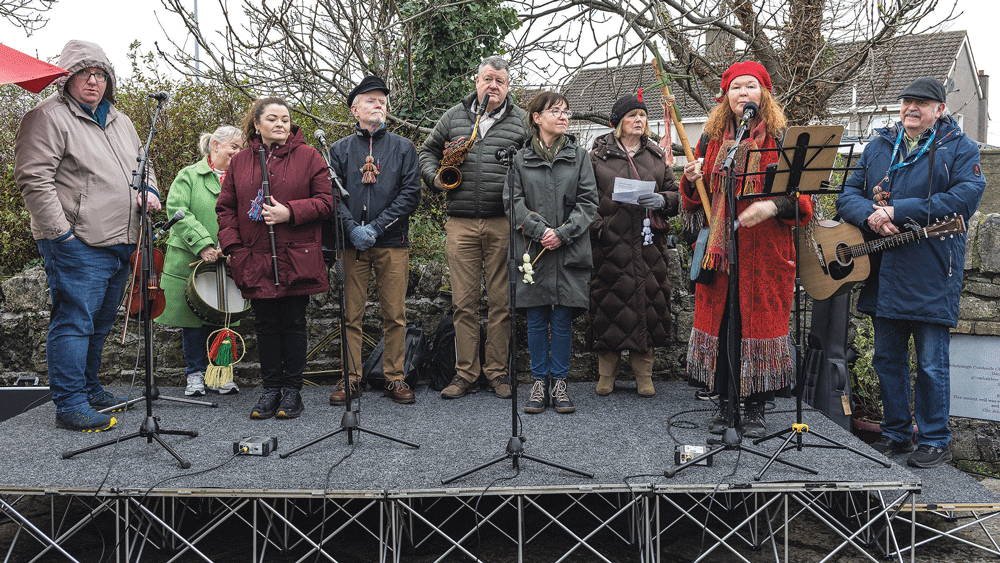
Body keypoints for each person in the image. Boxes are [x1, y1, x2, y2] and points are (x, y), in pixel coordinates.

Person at [836, 76, 985, 468]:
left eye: (921, 103)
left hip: (932, 271)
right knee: (887, 359)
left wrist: (899, 211)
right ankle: (897, 434)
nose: (911, 108)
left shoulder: (960, 148)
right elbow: (848, 195)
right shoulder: (879, 146)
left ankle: (936, 439)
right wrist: (872, 217)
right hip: (884, 270)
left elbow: (963, 200)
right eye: (906, 102)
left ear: (940, 110)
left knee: (932, 363)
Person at [15, 40, 162, 432]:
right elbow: (34, 179)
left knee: (98, 323)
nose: (93, 81)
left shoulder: (120, 119)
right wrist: (61, 235)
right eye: (84, 74)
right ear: (67, 78)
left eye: (99, 74)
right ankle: (70, 404)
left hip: (121, 240)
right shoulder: (47, 116)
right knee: (74, 321)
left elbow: (143, 167)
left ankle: (90, 388)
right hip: (76, 242)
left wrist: (150, 190)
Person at [680, 61, 812, 439]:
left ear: (763, 94)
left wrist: (771, 206)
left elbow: (804, 204)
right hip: (720, 253)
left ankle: (755, 408)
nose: (744, 94)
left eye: (751, 87)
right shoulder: (710, 139)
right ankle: (725, 403)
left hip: (766, 253)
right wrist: (690, 181)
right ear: (726, 97)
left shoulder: (783, 137)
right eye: (736, 88)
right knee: (724, 325)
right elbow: (693, 203)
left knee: (759, 325)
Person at [419, 56, 528, 400]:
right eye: (487, 79)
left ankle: (496, 372)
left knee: (501, 303)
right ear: (476, 82)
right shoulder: (453, 116)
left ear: (508, 87)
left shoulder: (522, 121)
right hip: (461, 222)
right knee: (463, 303)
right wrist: (436, 179)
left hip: (503, 222)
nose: (492, 85)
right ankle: (465, 373)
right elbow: (427, 152)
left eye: (500, 81)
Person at [217, 97, 333, 419]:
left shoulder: (309, 156)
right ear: (257, 125)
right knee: (266, 325)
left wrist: (289, 212)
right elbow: (225, 208)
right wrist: (234, 248)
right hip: (254, 258)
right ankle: (270, 391)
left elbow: (327, 202)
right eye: (271, 118)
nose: (280, 124)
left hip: (296, 257)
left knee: (294, 323)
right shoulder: (240, 162)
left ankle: (293, 392)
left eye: (285, 118)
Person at [327, 76, 421, 405]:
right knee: (350, 315)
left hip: (392, 242)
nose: (378, 104)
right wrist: (353, 229)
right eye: (370, 100)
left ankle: (395, 377)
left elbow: (410, 195)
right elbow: (330, 196)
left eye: (382, 100)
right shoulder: (338, 150)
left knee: (394, 314)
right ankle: (351, 378)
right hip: (351, 244)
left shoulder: (404, 148)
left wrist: (376, 228)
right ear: (355, 110)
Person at [504, 91, 598, 414]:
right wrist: (539, 230)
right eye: (555, 111)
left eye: (566, 111)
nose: (563, 116)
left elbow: (589, 204)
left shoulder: (580, 156)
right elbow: (512, 203)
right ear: (536, 118)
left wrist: (561, 233)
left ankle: (559, 383)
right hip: (533, 251)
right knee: (535, 317)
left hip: (568, 250)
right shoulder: (519, 159)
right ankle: (538, 382)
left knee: (561, 319)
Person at [588, 93, 680, 397]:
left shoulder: (656, 156)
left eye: (642, 115)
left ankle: (644, 374)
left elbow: (676, 195)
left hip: (648, 245)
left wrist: (663, 200)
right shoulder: (596, 157)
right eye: (632, 116)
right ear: (618, 122)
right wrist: (599, 229)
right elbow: (583, 199)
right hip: (610, 244)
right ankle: (607, 374)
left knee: (648, 306)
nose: (639, 120)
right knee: (609, 305)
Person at [155, 126, 244, 396]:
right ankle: (194, 374)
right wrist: (204, 244)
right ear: (215, 145)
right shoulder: (188, 175)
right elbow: (179, 211)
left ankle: (220, 373)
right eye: (234, 147)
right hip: (190, 258)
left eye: (240, 148)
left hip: (227, 259)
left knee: (222, 319)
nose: (238, 152)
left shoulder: (242, 177)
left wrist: (231, 247)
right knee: (192, 323)